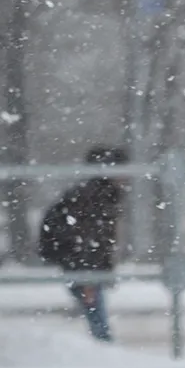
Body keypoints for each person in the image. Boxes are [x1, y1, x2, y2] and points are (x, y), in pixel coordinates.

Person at [38, 147, 127, 342]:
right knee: (98, 323)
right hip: (84, 268)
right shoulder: (95, 199)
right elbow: (88, 239)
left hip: (83, 266)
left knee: (97, 318)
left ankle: (103, 350)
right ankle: (104, 354)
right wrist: (87, 274)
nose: (125, 177)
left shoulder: (97, 195)